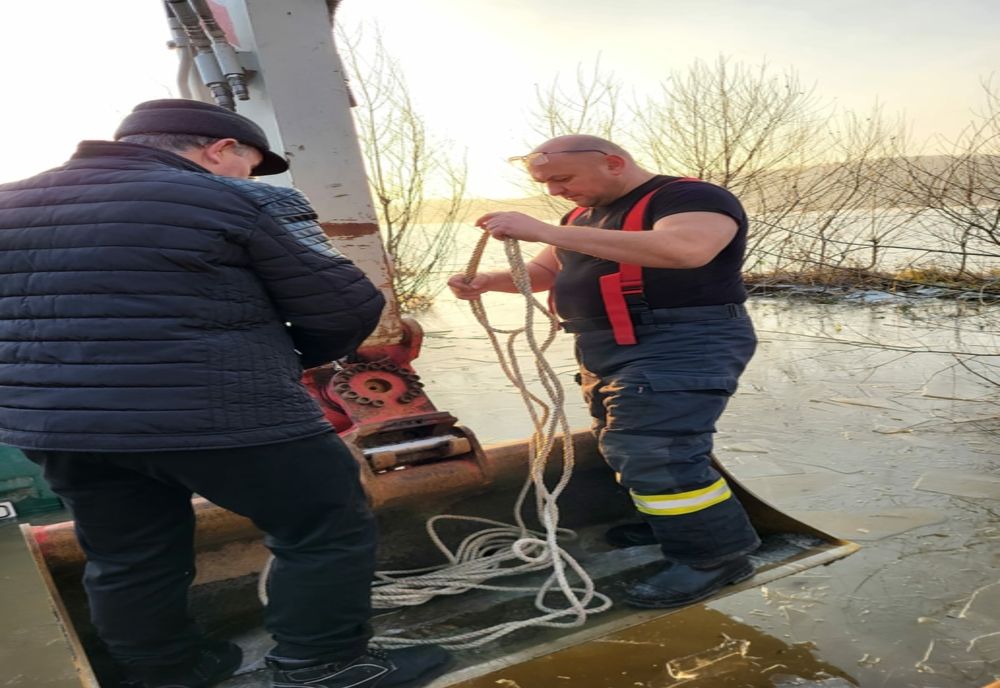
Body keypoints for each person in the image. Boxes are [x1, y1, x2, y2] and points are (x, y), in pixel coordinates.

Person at [0, 99, 449, 688]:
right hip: (221, 409)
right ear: (220, 150)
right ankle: (320, 667)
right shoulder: (238, 199)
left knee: (126, 551)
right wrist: (283, 361)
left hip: (57, 425)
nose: (251, 177)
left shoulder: (8, 202)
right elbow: (346, 306)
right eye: (251, 165)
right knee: (322, 524)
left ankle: (165, 672)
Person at [448, 135, 761, 609]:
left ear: (613, 163)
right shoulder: (579, 218)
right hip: (606, 346)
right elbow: (546, 273)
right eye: (546, 183)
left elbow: (685, 249)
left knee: (652, 447)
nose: (555, 191)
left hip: (682, 340)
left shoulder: (690, 197)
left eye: (562, 178)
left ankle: (715, 558)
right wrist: (487, 281)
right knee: (619, 441)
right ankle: (670, 522)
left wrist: (543, 230)